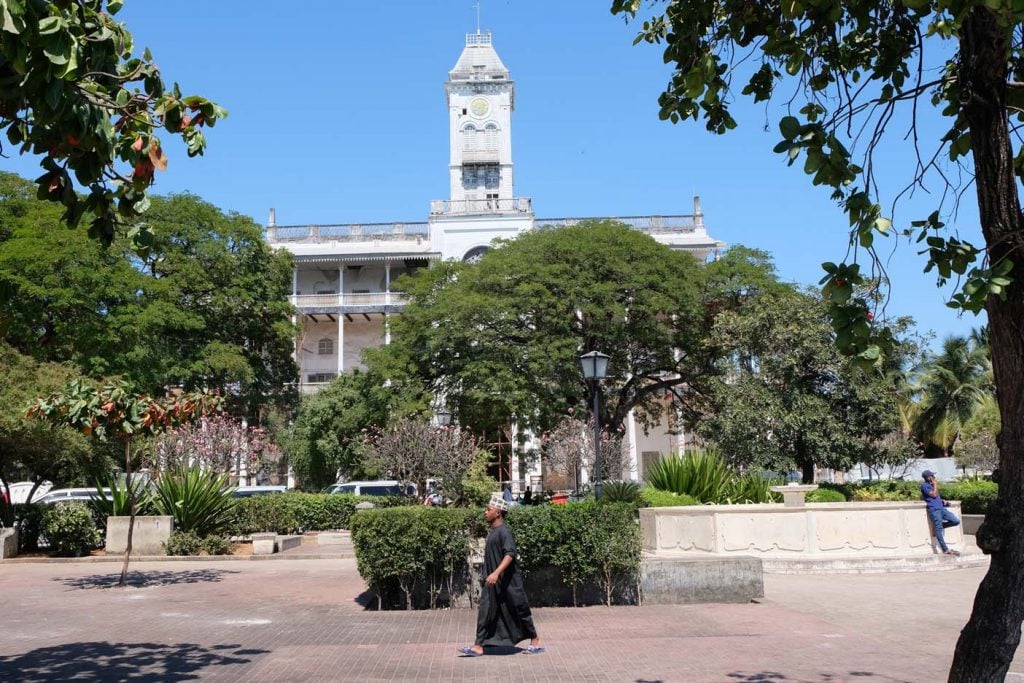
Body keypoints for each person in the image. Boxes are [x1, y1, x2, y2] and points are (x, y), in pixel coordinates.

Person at [458, 493, 544, 657]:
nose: (485, 512)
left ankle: (535, 640)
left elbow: (510, 554)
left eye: (488, 509)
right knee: (485, 611)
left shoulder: (504, 532)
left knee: (519, 610)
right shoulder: (494, 531)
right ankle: (478, 645)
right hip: (492, 584)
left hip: (508, 583)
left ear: (498, 513)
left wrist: (496, 573)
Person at [921, 470, 960, 555]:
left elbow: (935, 497)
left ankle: (938, 527)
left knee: (956, 521)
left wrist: (943, 501)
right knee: (939, 530)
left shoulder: (932, 485)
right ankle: (945, 549)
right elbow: (934, 495)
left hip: (941, 508)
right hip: (934, 510)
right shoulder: (925, 486)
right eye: (932, 475)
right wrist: (935, 484)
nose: (934, 477)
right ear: (928, 477)